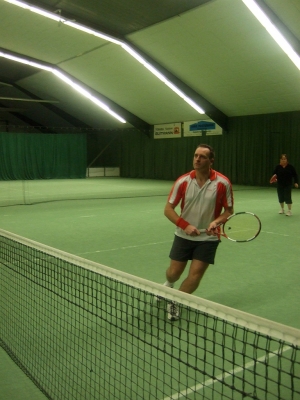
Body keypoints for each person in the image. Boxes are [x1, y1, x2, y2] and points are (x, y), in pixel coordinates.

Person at [161, 144, 234, 321]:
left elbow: (229, 211)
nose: (197, 159)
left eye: (202, 156)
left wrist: (216, 222)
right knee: (174, 272)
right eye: (195, 156)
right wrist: (184, 225)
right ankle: (169, 284)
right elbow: (168, 209)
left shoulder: (222, 183)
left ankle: (175, 300)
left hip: (208, 238)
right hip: (183, 235)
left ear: (211, 161)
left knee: (195, 275)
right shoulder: (183, 181)